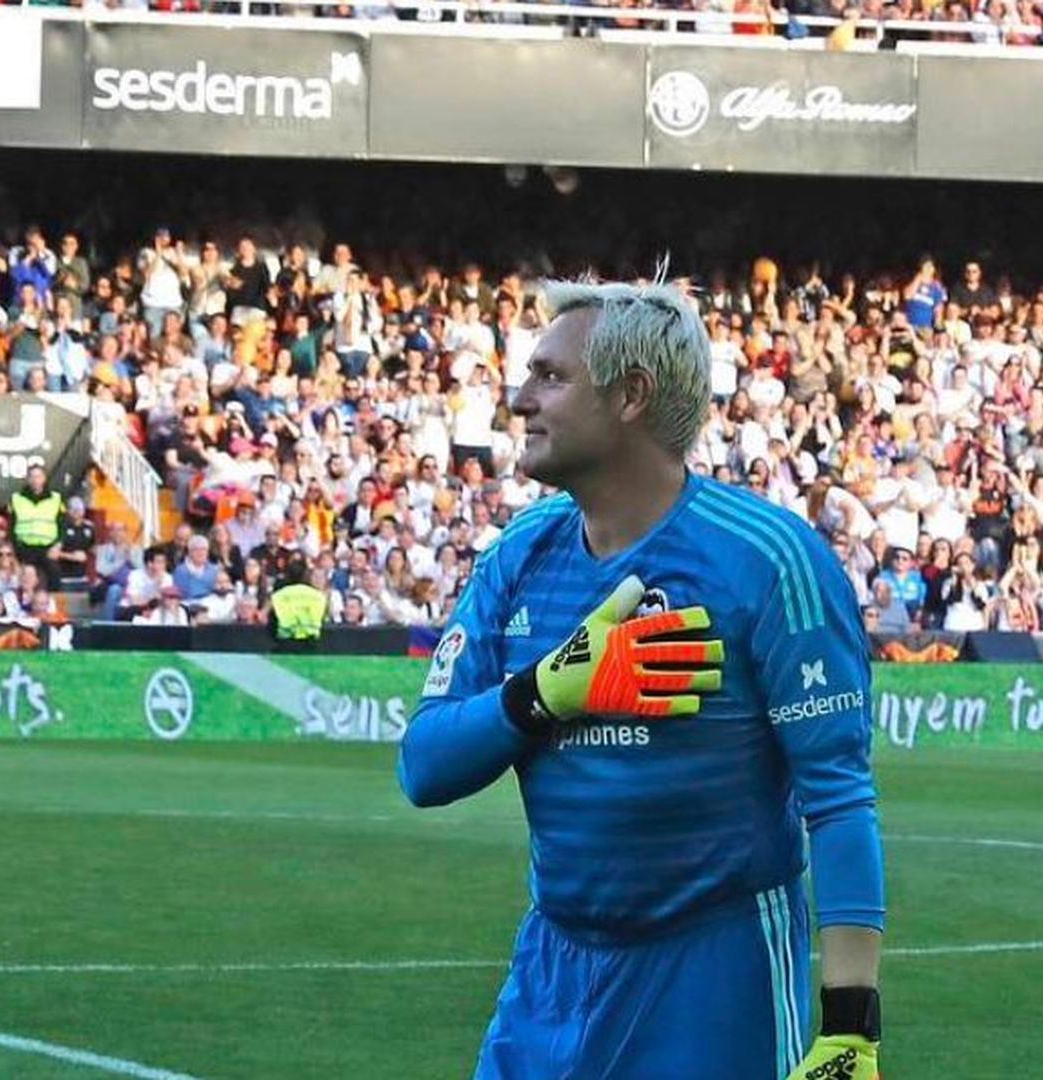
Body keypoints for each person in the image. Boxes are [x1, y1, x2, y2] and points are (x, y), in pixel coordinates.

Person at [398, 280, 883, 1080]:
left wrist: (851, 1032)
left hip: (713, 979)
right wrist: (546, 692)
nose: (520, 400)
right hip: (551, 971)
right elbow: (423, 767)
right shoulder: (519, 554)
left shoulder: (769, 560)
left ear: (630, 396)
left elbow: (838, 801)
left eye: (551, 376)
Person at [8, 463, 64, 581]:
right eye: (32, 477)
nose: (35, 480)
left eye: (38, 476)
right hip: (24, 549)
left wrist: (58, 545)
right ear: (27, 479)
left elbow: (62, 525)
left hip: (48, 549)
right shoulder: (16, 498)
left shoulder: (56, 498)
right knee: (25, 582)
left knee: (54, 582)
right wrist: (15, 549)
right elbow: (11, 526)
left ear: (44, 478)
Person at [268, 559, 328, 643]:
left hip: (285, 641)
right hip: (311, 642)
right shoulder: (318, 596)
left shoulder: (280, 594)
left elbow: (267, 615)